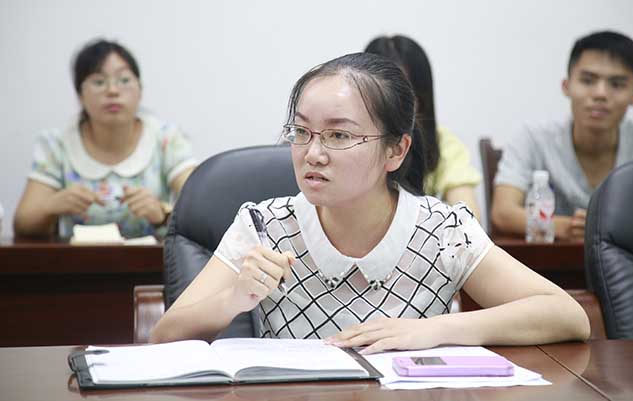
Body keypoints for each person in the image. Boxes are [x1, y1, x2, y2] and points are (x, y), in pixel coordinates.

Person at [150, 53, 589, 352]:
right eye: (301, 131)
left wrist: (432, 330)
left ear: (396, 151)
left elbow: (567, 315)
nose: (312, 153)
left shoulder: (442, 231)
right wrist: (234, 298)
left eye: (338, 135)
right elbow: (163, 338)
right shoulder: (264, 225)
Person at [13, 39, 197, 239]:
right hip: (77, 258)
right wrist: (52, 205)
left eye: (124, 80)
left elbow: (203, 210)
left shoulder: (167, 139)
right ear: (80, 95)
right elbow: (23, 225)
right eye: (99, 82)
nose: (113, 91)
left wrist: (163, 214)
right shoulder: (56, 145)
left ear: (140, 91)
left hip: (154, 258)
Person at [492, 31, 633, 241]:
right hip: (550, 260)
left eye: (617, 84)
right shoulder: (533, 139)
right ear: (566, 86)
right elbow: (502, 212)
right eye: (588, 80)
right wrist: (562, 227)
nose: (600, 94)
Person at [365, 35, 482, 218]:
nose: (394, 105)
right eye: (384, 95)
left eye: (406, 94)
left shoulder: (443, 143)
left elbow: (469, 218)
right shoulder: (349, 142)